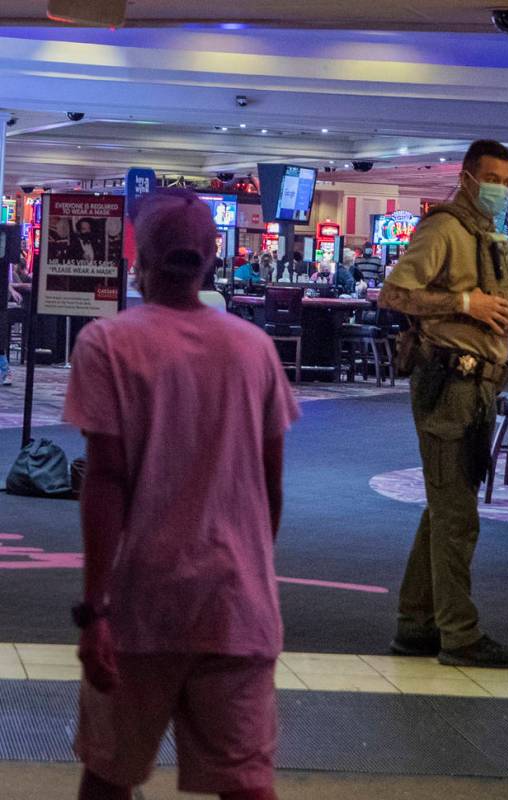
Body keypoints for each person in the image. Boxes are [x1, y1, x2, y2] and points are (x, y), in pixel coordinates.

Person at [64, 189, 299, 800]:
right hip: (236, 606)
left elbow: (106, 481)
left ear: (139, 257)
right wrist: (251, 571)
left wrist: (95, 610)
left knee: (109, 777)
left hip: (141, 606)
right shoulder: (254, 349)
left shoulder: (108, 344)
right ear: (211, 257)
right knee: (246, 786)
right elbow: (271, 486)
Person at [379, 139, 508, 669]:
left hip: (479, 385)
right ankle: (459, 634)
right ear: (467, 178)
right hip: (449, 383)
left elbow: (487, 304)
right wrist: (465, 303)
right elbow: (394, 294)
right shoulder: (443, 228)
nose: (501, 190)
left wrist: (505, 313)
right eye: (492, 180)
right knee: (457, 517)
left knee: (446, 507)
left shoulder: (488, 234)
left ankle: (416, 622)